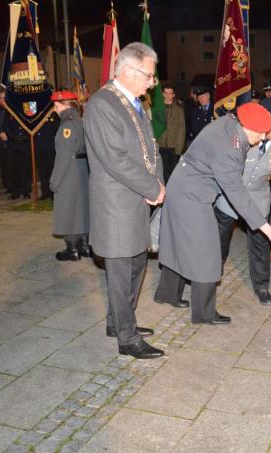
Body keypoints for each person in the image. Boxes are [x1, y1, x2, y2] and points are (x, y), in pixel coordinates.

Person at [155, 103, 271, 325]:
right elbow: (237, 194)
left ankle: (167, 294)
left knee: (178, 242)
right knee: (209, 251)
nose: (261, 140)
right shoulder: (231, 149)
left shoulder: (229, 122)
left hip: (182, 186)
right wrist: (268, 230)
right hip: (192, 196)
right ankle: (204, 313)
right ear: (251, 129)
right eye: (261, 135)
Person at [84, 42, 166, 360]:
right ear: (129, 71)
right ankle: (127, 338)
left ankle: (117, 322)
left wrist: (157, 185)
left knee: (136, 265)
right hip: (117, 204)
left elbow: (151, 149)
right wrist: (151, 187)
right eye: (149, 75)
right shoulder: (102, 104)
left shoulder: (134, 103)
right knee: (120, 272)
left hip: (138, 199)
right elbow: (115, 159)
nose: (152, 83)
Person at [214, 97, 271, 305]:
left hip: (257, 199)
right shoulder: (245, 133)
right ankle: (210, 278)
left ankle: (262, 286)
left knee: (261, 246)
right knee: (218, 242)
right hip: (229, 197)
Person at [49, 90, 90, 261]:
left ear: (65, 105)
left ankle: (72, 249)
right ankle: (85, 245)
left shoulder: (67, 126)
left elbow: (63, 157)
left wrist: (54, 182)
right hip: (83, 170)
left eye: (56, 106)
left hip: (70, 171)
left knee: (68, 208)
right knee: (82, 208)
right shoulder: (82, 121)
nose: (54, 109)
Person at [156, 83, 186, 183]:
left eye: (170, 93)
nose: (168, 96)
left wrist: (178, 150)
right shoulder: (157, 109)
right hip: (160, 146)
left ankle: (172, 193)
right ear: (162, 94)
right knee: (161, 173)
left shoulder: (179, 109)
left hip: (173, 147)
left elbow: (181, 130)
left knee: (173, 173)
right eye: (166, 93)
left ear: (173, 95)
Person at [2, 108, 33, 200]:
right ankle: (15, 192)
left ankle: (26, 191)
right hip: (14, 144)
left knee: (26, 168)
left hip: (26, 143)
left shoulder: (28, 108)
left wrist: (27, 136)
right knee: (14, 168)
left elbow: (33, 123)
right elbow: (6, 125)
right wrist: (12, 136)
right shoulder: (10, 110)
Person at [35, 110, 59, 199]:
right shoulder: (36, 116)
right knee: (42, 172)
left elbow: (57, 129)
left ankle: (53, 193)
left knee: (52, 171)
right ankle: (45, 192)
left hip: (51, 148)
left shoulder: (53, 115)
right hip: (39, 148)